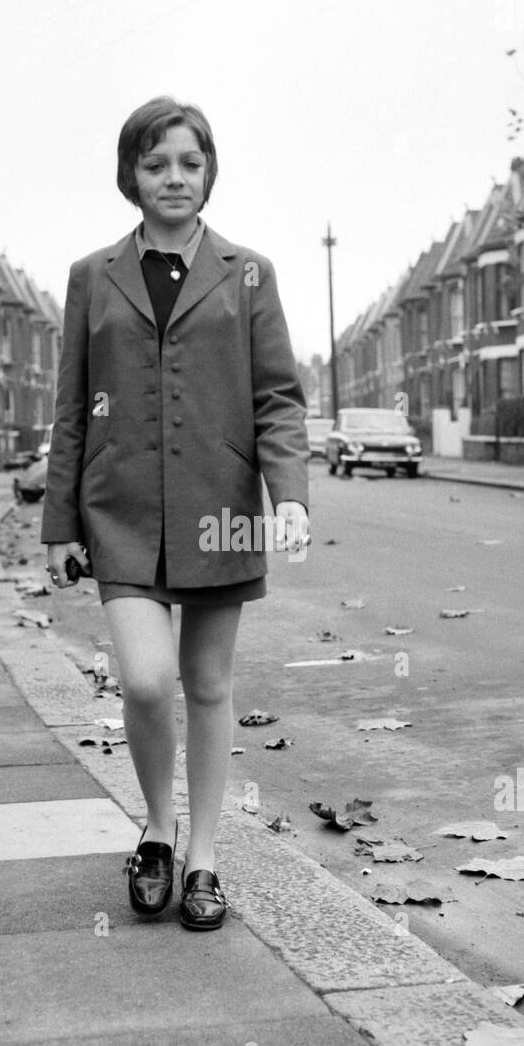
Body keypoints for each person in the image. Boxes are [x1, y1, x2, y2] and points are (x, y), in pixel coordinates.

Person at [42, 96, 310, 931]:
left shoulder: (250, 272)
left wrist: (289, 493)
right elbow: (70, 404)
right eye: (157, 164)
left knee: (208, 682)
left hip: (217, 510)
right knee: (148, 681)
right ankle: (156, 828)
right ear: (131, 174)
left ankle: (204, 856)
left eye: (189, 163)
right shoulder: (93, 276)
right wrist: (59, 526)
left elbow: (278, 398)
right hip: (117, 509)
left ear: (210, 172)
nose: (174, 178)